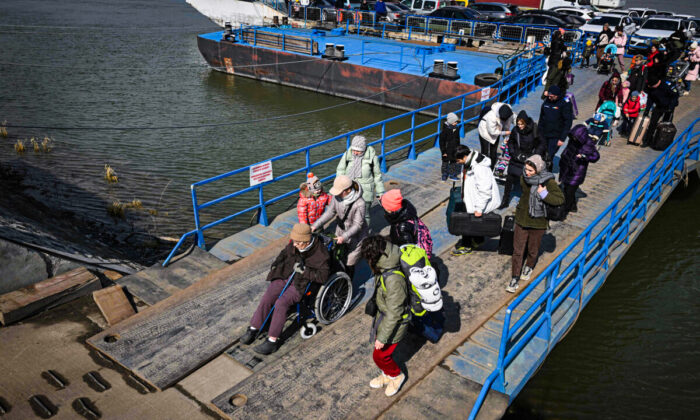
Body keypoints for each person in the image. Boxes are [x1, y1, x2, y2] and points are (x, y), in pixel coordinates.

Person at [239, 224, 330, 355]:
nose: (294, 244)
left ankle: (272, 341)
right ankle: (254, 328)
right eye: (294, 241)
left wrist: (304, 271)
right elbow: (283, 254)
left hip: (301, 284)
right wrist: (275, 264)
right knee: (268, 296)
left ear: (306, 241)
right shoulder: (295, 244)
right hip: (286, 275)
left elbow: (322, 276)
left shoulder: (321, 254)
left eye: (297, 242)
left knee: (281, 303)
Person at [507, 155, 564, 293]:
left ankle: (529, 266)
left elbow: (560, 199)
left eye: (530, 171)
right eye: (526, 169)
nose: (527, 173)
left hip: (538, 221)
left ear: (538, 170)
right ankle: (514, 278)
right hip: (522, 218)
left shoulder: (548, 182)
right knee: (518, 250)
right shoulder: (523, 178)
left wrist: (544, 194)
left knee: (533, 249)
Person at [362, 235, 408, 397]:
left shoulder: (393, 279)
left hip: (395, 321)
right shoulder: (386, 261)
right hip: (384, 317)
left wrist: (382, 337)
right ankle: (387, 374)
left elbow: (395, 312)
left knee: (380, 355)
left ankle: (396, 376)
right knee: (380, 353)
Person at [311, 175, 368, 276]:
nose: (337, 194)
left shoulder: (360, 203)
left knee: (350, 262)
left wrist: (344, 237)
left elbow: (357, 225)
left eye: (339, 191)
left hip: (356, 237)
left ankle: (348, 280)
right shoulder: (337, 197)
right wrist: (315, 225)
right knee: (338, 256)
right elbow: (330, 212)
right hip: (340, 231)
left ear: (348, 190)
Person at [451, 145, 501, 255]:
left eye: (458, 160)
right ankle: (478, 240)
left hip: (477, 201)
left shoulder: (480, 168)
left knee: (467, 223)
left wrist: (479, 208)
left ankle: (467, 245)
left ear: (465, 156)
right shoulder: (469, 162)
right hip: (471, 198)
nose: (458, 163)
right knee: (473, 221)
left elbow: (485, 190)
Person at [499, 111, 545, 209]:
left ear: (526, 123)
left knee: (527, 181)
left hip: (529, 159)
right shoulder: (515, 130)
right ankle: (505, 200)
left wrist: (535, 155)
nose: (519, 126)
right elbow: (511, 142)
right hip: (516, 157)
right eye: (518, 124)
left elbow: (542, 143)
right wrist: (513, 153)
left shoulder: (535, 130)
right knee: (509, 179)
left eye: (521, 124)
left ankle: (525, 202)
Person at [336, 135, 385, 226]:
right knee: (349, 213)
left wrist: (380, 192)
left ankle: (365, 232)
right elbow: (340, 170)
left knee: (364, 215)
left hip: (365, 191)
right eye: (353, 150)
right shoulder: (348, 154)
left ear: (364, 149)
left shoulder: (372, 158)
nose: (355, 153)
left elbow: (377, 176)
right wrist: (340, 185)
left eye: (358, 151)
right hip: (349, 190)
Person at [558, 125, 600, 214]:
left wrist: (584, 157)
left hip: (577, 171)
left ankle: (565, 210)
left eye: (575, 137)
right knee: (567, 188)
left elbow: (596, 157)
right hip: (567, 167)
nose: (573, 138)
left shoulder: (588, 144)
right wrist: (563, 158)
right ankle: (573, 206)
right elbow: (567, 150)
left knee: (569, 191)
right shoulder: (573, 140)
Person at [538, 85, 573, 169]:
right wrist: (538, 133)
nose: (550, 98)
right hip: (544, 133)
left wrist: (562, 139)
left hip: (556, 136)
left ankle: (547, 173)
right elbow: (541, 118)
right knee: (541, 154)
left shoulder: (565, 103)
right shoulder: (546, 102)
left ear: (557, 95)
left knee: (549, 156)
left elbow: (568, 122)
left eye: (552, 96)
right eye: (549, 96)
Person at [641, 79, 679, 148]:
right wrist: (647, 110)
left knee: (666, 125)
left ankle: (663, 142)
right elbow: (650, 99)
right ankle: (647, 141)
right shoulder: (651, 88)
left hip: (669, 106)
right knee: (652, 123)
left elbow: (675, 96)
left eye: (652, 86)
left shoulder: (667, 85)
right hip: (659, 106)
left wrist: (670, 107)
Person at [477, 102, 514, 170]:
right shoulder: (491, 116)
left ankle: (491, 168)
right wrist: (505, 132)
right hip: (485, 131)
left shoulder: (508, 111)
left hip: (497, 130)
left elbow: (512, 120)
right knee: (485, 151)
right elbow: (492, 132)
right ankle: (483, 167)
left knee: (493, 151)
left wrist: (506, 137)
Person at [439, 112, 461, 181]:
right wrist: (443, 151)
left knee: (453, 162)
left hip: (454, 149)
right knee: (445, 163)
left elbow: (458, 139)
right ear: (451, 122)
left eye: (456, 122)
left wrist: (458, 148)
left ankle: (452, 175)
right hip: (446, 149)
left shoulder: (456, 128)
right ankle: (444, 174)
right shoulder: (445, 130)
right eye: (455, 122)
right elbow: (442, 142)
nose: (456, 123)